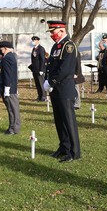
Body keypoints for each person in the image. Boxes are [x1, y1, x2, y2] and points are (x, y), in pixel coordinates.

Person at [43, 20, 81, 163]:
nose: (52, 35)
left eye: (53, 32)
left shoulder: (69, 46)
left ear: (61, 30)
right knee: (59, 120)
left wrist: (51, 81)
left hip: (64, 89)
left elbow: (65, 69)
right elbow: (51, 66)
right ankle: (63, 147)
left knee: (69, 121)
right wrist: (48, 80)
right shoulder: (56, 46)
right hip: (56, 89)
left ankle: (74, 151)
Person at [0, 41, 21, 135]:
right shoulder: (10, 57)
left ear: (5, 48)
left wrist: (7, 87)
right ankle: (12, 126)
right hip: (11, 86)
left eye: (1, 48)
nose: (0, 50)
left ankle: (13, 128)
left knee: (12, 109)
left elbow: (8, 74)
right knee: (11, 108)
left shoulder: (7, 58)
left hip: (9, 87)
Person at [29, 36, 47, 101]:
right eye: (32, 40)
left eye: (34, 40)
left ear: (38, 41)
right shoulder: (34, 49)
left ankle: (44, 97)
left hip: (40, 69)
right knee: (37, 84)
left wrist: (41, 69)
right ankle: (39, 96)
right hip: (35, 69)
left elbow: (42, 59)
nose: (33, 42)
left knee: (41, 83)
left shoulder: (41, 49)